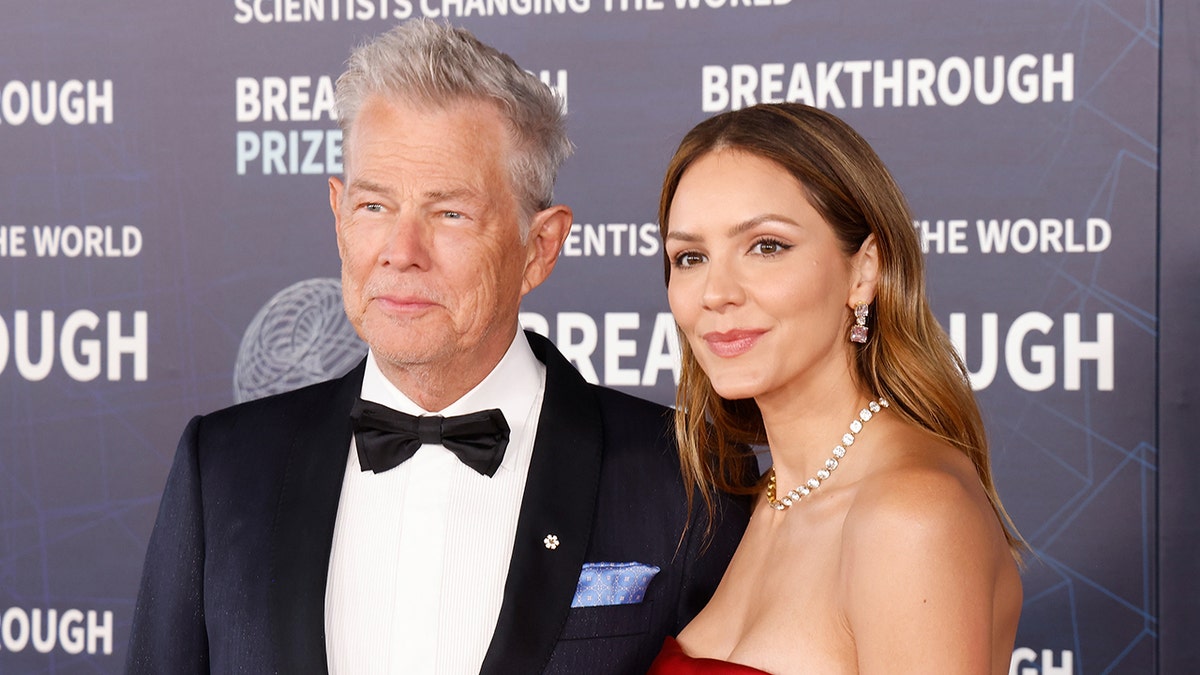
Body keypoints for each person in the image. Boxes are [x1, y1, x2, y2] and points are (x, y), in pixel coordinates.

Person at [126, 20, 747, 674]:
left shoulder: (684, 479)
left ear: (539, 248)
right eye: (373, 207)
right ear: (338, 216)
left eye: (449, 213)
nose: (402, 251)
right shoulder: (221, 468)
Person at [647, 103, 1024, 674]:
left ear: (864, 270)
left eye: (766, 246)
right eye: (690, 257)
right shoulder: (764, 498)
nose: (715, 292)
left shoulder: (909, 515)